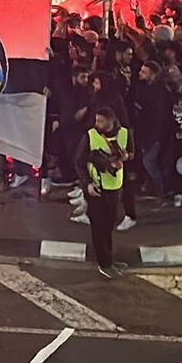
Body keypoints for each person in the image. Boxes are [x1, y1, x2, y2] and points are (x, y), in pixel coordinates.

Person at [80, 108, 128, 279]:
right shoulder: (90, 136)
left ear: (111, 121)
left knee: (109, 226)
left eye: (101, 121)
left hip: (114, 188)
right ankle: (104, 264)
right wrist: (87, 184)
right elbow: (78, 162)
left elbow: (131, 153)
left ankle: (109, 260)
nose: (97, 124)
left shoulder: (123, 133)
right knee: (99, 228)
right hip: (97, 190)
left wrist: (123, 157)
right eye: (96, 120)